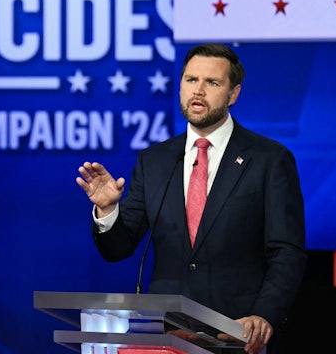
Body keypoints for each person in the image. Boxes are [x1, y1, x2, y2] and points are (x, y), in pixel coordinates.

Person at [76, 43, 306, 354]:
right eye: (191, 80)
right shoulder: (155, 161)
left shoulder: (269, 159)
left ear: (233, 93)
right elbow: (118, 248)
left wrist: (264, 315)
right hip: (165, 336)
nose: (198, 91)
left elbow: (286, 252)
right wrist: (107, 210)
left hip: (236, 335)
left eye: (212, 82)